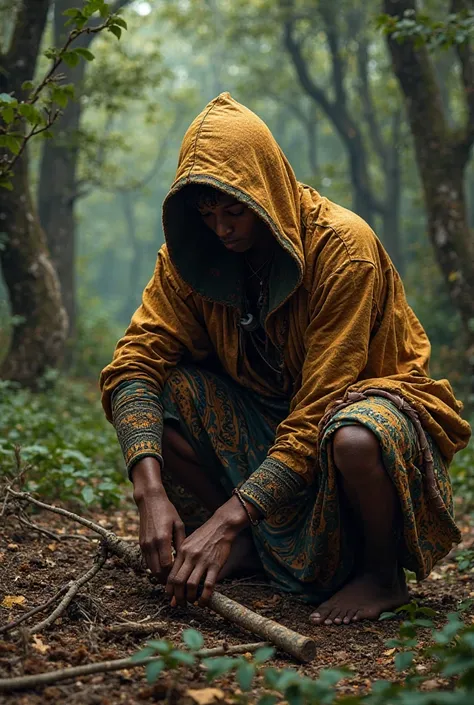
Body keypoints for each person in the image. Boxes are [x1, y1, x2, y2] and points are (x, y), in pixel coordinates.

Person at [100, 92, 471, 625]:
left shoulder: (345, 249)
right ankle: (254, 543)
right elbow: (135, 361)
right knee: (163, 392)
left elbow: (317, 410)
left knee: (354, 435)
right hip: (267, 418)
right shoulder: (186, 259)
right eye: (207, 215)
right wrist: (149, 490)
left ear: (267, 192)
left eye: (234, 211)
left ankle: (380, 574)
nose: (222, 228)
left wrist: (221, 521)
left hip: (350, 420)